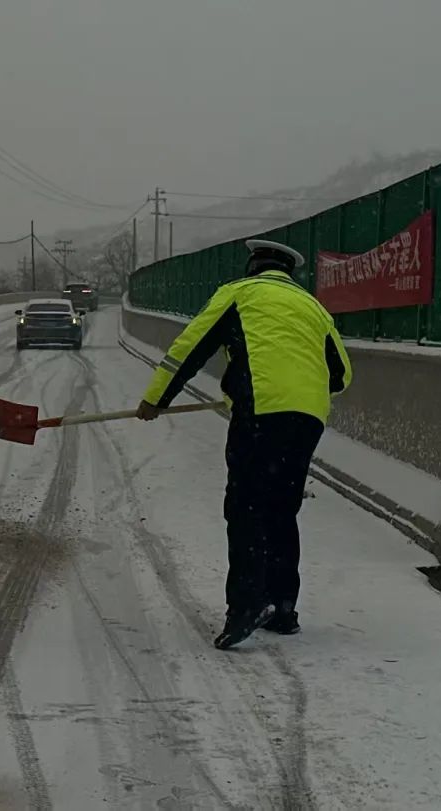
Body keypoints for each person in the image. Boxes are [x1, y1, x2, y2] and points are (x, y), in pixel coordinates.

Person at [136, 240, 352, 650]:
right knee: (281, 510)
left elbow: (189, 349)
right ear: (289, 272)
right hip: (308, 418)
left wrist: (156, 399)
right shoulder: (313, 308)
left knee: (247, 507)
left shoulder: (238, 293)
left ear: (254, 266)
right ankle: (283, 608)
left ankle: (247, 606)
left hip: (261, 414)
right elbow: (340, 376)